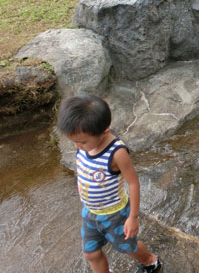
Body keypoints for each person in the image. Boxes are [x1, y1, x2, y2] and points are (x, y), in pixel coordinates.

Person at [56, 94, 162, 273]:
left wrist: (133, 217)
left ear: (104, 130)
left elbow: (133, 183)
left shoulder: (117, 153)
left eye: (82, 142)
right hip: (90, 212)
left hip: (115, 214)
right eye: (73, 141)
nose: (77, 146)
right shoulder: (82, 145)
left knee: (127, 247)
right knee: (90, 253)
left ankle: (150, 261)